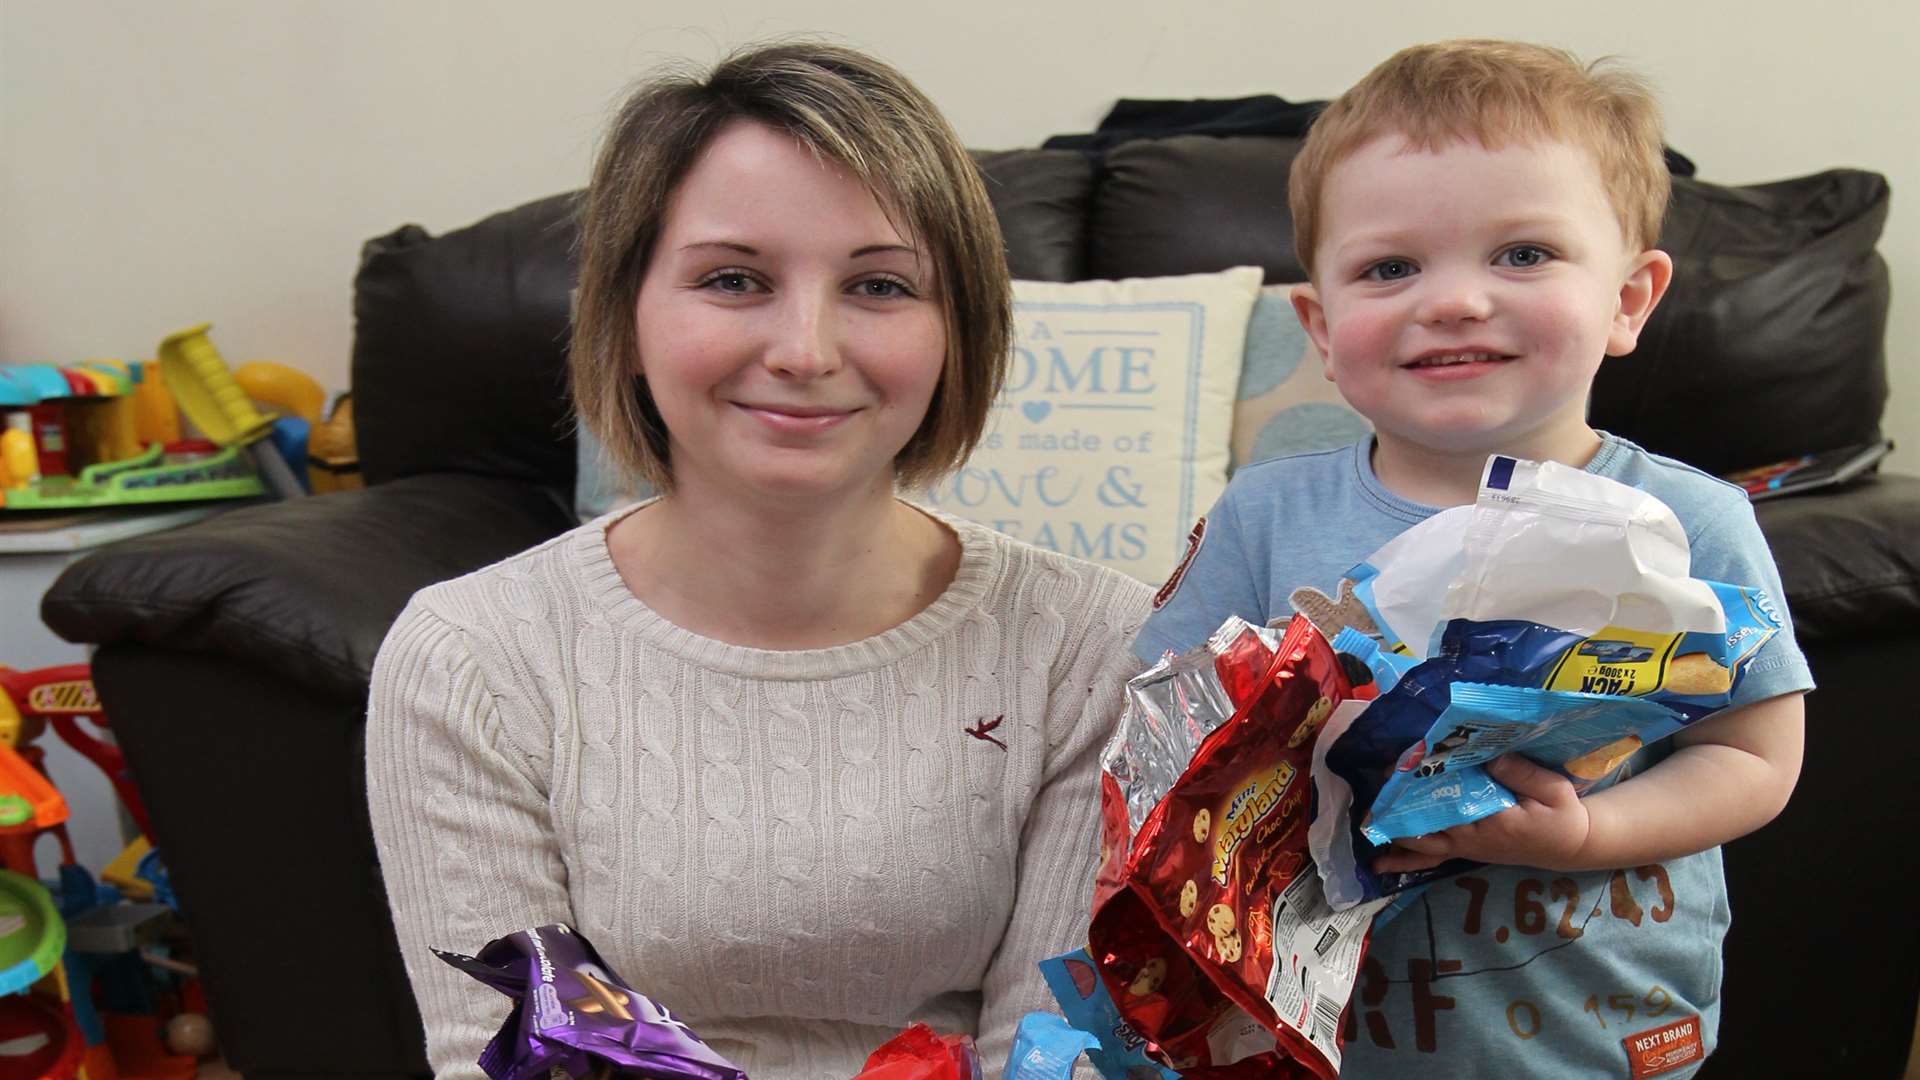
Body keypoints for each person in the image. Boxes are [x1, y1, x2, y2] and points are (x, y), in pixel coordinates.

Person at [365, 42, 1150, 1078]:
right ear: (626, 312)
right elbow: (507, 1061)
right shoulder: (469, 657)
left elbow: (1053, 1057)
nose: (806, 350)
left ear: (959, 330)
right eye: (734, 280)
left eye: (878, 285)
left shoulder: (1092, 644)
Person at [1138, 40, 1810, 1078]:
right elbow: (1159, 731)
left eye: (1524, 255)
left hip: (1597, 1039)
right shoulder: (1266, 515)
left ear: (1629, 300)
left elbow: (1756, 757)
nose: (1451, 299)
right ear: (1320, 325)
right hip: (1320, 1040)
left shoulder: (1688, 522)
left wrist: (1588, 832)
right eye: (1390, 268)